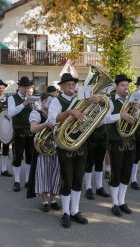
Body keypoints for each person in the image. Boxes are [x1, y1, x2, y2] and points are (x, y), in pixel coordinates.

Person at [48, 73, 99, 228]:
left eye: (73, 84)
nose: (72, 87)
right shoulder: (57, 100)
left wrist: (98, 102)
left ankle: (74, 211)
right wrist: (70, 112)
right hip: (65, 144)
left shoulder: (82, 99)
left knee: (78, 179)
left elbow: (95, 115)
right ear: (61, 87)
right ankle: (65, 212)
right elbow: (52, 120)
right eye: (68, 84)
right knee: (67, 180)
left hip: (81, 142)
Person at [103, 74, 140, 217]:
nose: (126, 88)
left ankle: (122, 201)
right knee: (116, 172)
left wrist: (137, 109)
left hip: (130, 141)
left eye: (127, 85)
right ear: (116, 87)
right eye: (123, 85)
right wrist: (119, 115)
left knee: (126, 172)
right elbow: (104, 119)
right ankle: (114, 203)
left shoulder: (132, 102)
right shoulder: (110, 101)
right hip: (116, 141)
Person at [27, 93, 61, 212]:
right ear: (42, 101)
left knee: (55, 174)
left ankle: (53, 200)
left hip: (55, 146)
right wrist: (47, 124)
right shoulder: (36, 113)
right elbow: (33, 129)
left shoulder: (56, 113)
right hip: (42, 148)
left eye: (51, 101)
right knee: (43, 174)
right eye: (46, 100)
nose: (49, 103)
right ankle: (45, 201)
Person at [8, 76, 34, 192]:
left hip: (30, 131)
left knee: (30, 156)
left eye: (28, 87)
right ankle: (17, 181)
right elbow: (11, 113)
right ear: (19, 88)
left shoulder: (31, 98)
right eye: (25, 87)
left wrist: (34, 105)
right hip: (19, 131)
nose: (27, 89)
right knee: (18, 156)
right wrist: (24, 104)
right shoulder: (12, 98)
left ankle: (28, 180)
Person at [84, 121, 110, 200]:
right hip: (90, 133)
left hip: (103, 133)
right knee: (89, 162)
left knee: (100, 162)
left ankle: (99, 187)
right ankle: (88, 187)